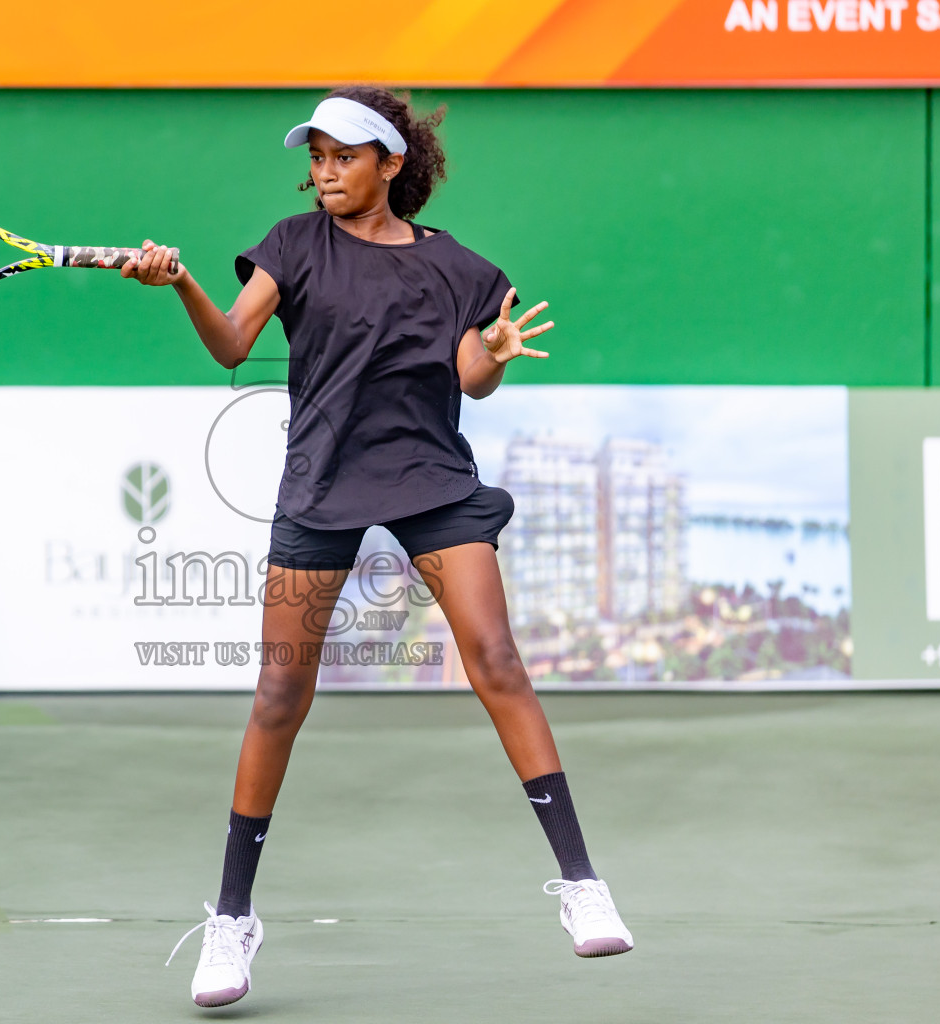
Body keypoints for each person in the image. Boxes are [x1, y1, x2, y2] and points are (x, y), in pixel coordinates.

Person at [126, 86, 634, 1009]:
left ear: (391, 164)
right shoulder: (292, 245)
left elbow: (470, 378)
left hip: (429, 478)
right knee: (279, 694)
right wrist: (184, 283)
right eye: (316, 157)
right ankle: (233, 918)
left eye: (344, 157)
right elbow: (232, 345)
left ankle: (582, 883)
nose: (325, 172)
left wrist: (496, 350)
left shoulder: (460, 269)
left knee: (496, 658)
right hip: (322, 482)